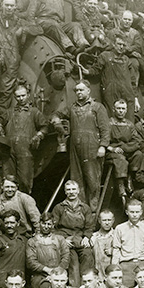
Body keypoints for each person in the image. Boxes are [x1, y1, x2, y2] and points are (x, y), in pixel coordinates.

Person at [52, 80, 110, 211]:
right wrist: (56, 122)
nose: (78, 92)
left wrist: (103, 146)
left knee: (92, 181)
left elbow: (105, 129)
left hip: (92, 147)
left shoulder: (98, 107)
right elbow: (57, 114)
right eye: (76, 90)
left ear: (88, 91)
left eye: (81, 90)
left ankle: (93, 211)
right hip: (75, 148)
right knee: (76, 179)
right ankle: (80, 211)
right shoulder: (72, 108)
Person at [0, 83, 49, 194]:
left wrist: (39, 135)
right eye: (18, 96)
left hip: (26, 151)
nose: (21, 98)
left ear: (28, 95)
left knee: (24, 181)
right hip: (9, 152)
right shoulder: (9, 112)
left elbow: (45, 127)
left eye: (23, 95)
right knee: (8, 181)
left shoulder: (34, 112)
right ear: (15, 97)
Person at [51, 180, 96, 285]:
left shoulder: (85, 208)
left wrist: (86, 237)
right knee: (73, 263)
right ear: (65, 192)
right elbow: (53, 228)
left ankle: (87, 286)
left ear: (78, 191)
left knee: (87, 255)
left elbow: (89, 226)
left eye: (73, 189)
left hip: (80, 239)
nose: (71, 192)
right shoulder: (59, 208)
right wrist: (62, 240)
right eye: (68, 190)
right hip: (66, 240)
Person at [26, 214, 70, 288]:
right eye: (44, 223)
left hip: (59, 274)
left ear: (53, 225)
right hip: (39, 276)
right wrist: (47, 270)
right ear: (39, 223)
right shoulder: (32, 241)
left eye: (49, 224)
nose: (46, 226)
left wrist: (57, 272)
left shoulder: (60, 239)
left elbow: (66, 257)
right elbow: (31, 262)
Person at [112, 199, 144, 287]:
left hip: (143, 264)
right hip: (126, 265)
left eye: (137, 212)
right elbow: (116, 250)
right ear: (127, 212)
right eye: (132, 212)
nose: (134, 215)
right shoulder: (120, 228)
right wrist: (115, 270)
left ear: (141, 212)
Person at [91, 210, 116, 280]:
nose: (107, 223)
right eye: (104, 220)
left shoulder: (117, 235)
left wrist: (113, 251)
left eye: (109, 220)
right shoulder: (94, 236)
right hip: (98, 272)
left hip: (113, 273)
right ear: (99, 221)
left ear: (113, 220)